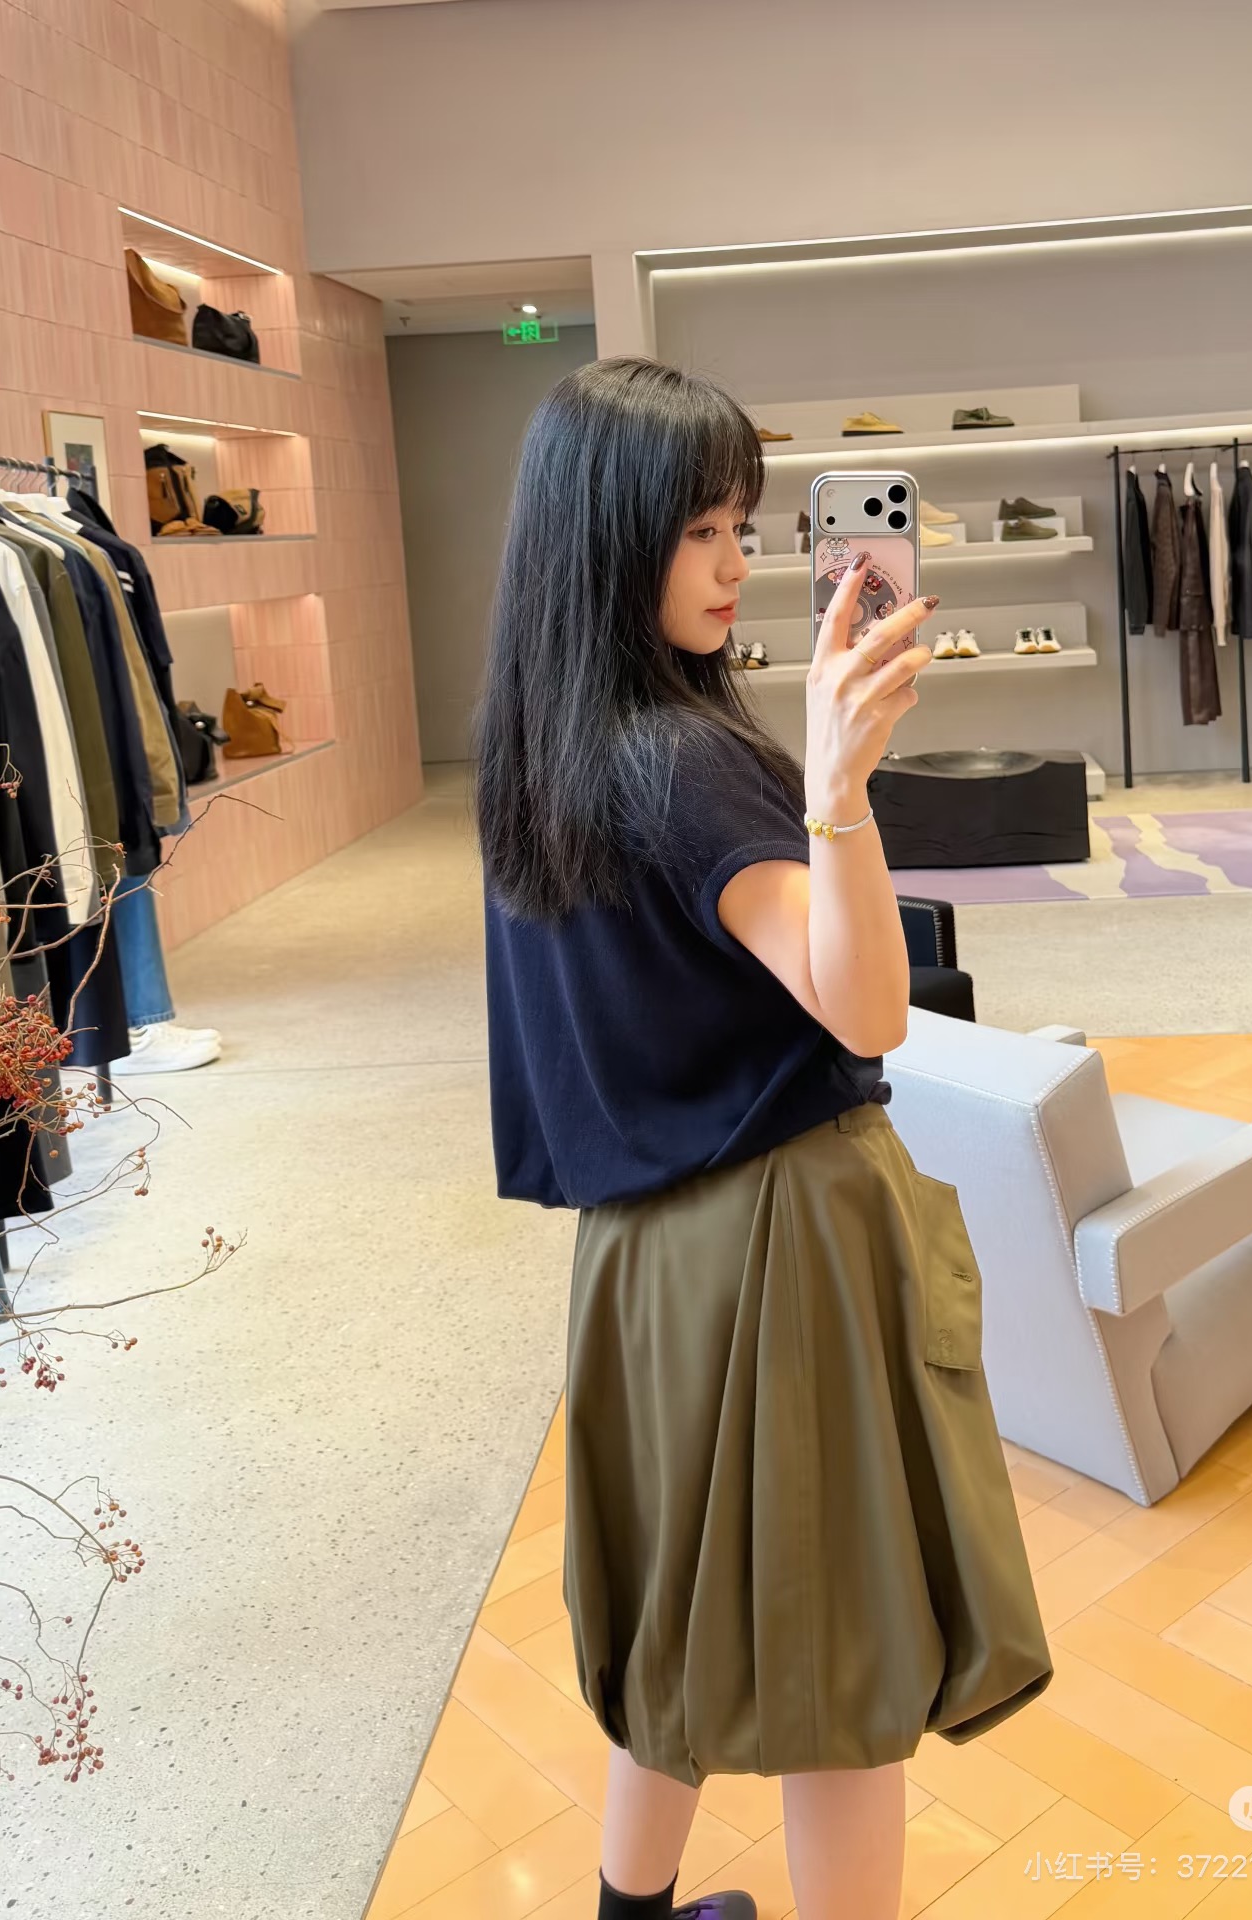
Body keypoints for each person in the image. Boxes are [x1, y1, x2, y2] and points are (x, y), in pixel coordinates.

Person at [474, 359, 1052, 1920]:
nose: (736, 563)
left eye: (742, 525)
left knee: (675, 1617)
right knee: (838, 1661)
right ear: (609, 536)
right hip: (776, 1237)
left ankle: (632, 1909)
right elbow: (866, 1007)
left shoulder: (543, 745)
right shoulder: (686, 761)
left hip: (639, 1257)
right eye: (699, 531)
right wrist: (840, 793)